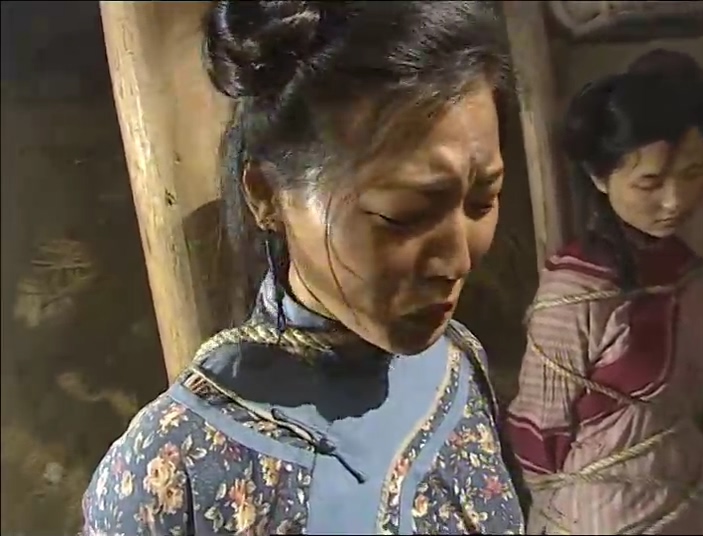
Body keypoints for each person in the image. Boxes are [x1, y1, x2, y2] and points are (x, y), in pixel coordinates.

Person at [81, 2, 528, 534]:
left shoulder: (458, 363)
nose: (458, 260)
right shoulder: (172, 474)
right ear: (267, 195)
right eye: (403, 214)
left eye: (483, 200)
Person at [506, 49, 703, 535]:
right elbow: (538, 435)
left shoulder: (689, 272)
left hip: (689, 495)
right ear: (601, 177)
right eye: (649, 182)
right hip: (601, 514)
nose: (675, 200)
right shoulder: (575, 290)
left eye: (694, 173)